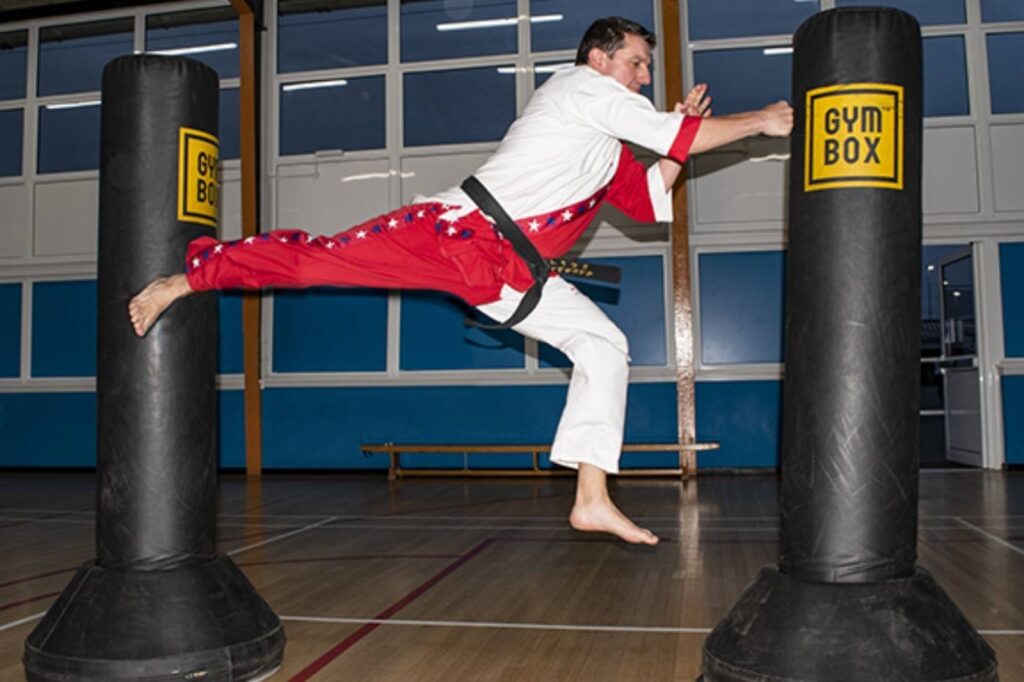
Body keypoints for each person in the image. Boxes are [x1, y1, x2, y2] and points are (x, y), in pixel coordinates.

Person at [129, 17, 793, 545]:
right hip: (456, 234)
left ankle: (591, 497)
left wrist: (676, 143)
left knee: (604, 346)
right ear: (599, 60)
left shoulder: (608, 144)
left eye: (647, 68)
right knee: (315, 260)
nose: (644, 75)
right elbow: (668, 132)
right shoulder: (578, 88)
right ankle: (188, 278)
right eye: (637, 62)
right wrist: (756, 122)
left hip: (513, 275)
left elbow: (649, 196)